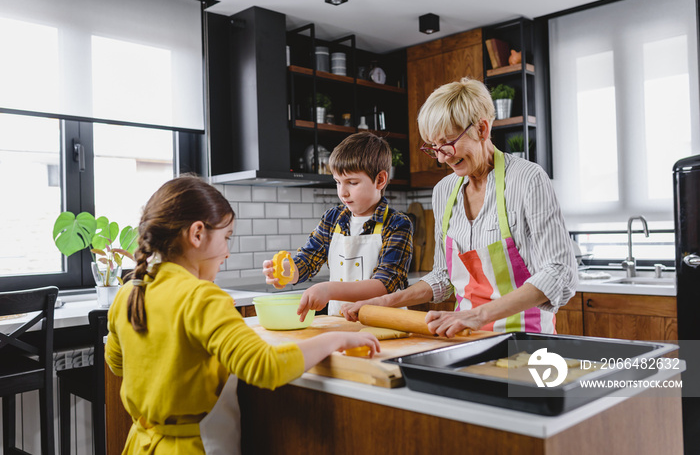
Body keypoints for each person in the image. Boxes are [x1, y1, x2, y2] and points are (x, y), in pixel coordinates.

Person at [105, 175, 380, 455]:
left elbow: (117, 363)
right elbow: (266, 367)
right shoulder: (202, 298)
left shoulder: (129, 293)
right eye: (225, 237)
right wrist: (335, 339)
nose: (226, 252)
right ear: (197, 234)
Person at [341, 78, 577, 337]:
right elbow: (443, 277)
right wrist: (388, 301)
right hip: (465, 336)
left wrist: (478, 315)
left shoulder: (528, 179)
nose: (442, 157)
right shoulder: (444, 191)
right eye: (433, 147)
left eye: (447, 142)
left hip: (527, 339)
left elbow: (559, 272)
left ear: (482, 129)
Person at [262, 132, 413, 320]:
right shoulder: (333, 218)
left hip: (385, 324)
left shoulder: (397, 224)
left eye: (352, 183)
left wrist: (329, 289)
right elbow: (308, 261)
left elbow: (385, 284)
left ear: (380, 180)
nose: (343, 192)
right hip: (341, 324)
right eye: (338, 182)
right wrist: (284, 271)